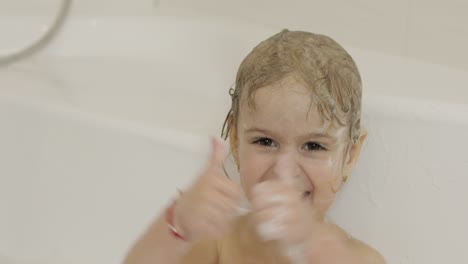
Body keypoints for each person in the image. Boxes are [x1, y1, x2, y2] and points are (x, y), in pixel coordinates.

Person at [124, 29, 385, 264]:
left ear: (351, 155)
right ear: (236, 144)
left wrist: (313, 244)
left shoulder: (361, 259)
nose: (285, 169)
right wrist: (178, 223)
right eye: (265, 141)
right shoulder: (220, 243)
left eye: (313, 146)